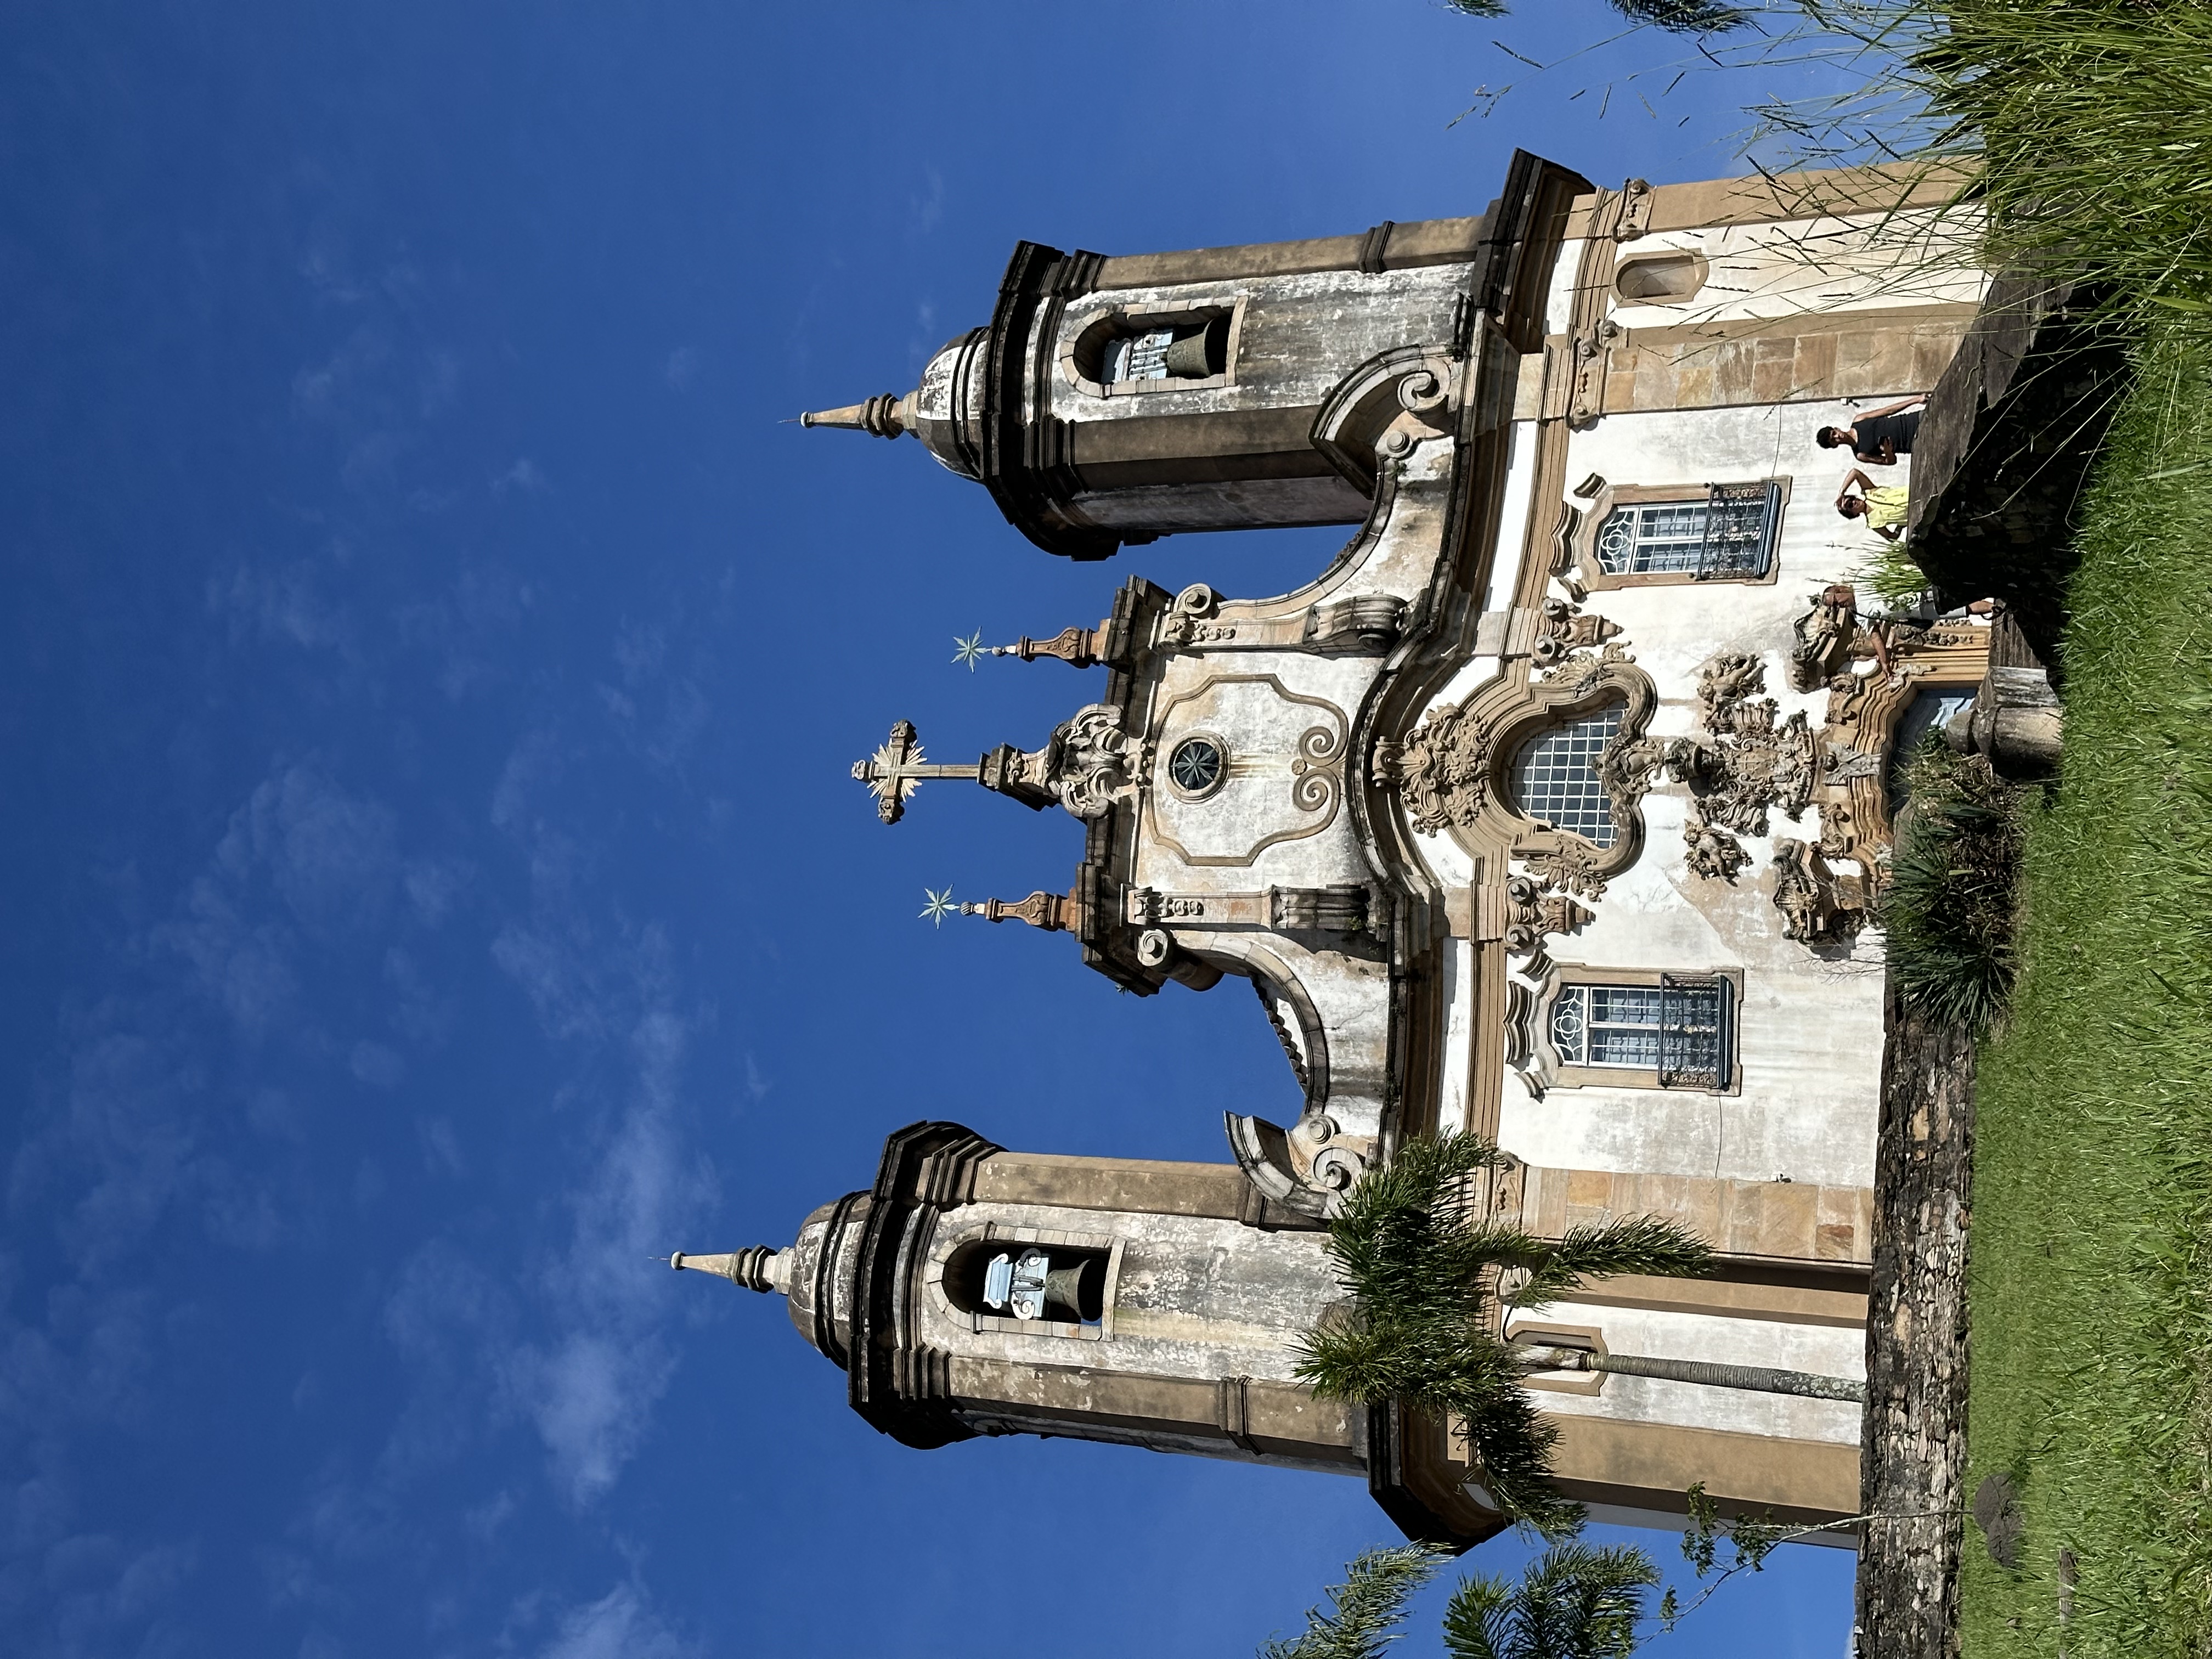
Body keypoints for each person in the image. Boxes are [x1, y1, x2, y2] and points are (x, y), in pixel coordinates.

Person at [1816, 395, 1925, 464]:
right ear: (1834, 446)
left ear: (1837, 429)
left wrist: (1916, 400)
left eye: (1834, 433)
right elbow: (1890, 462)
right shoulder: (1860, 454)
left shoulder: (1859, 420)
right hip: (1915, 443)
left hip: (1913, 420)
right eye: (1833, 440)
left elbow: (1888, 410)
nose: (1837, 437)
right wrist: (1888, 452)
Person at [1836, 468, 1910, 541]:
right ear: (1853, 514)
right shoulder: (1873, 523)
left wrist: (1841, 493)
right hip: (1915, 515)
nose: (1854, 502)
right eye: (1850, 506)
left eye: (1852, 499)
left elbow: (1855, 473)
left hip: (1913, 493)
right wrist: (1900, 526)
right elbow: (1891, 537)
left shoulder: (1869, 492)